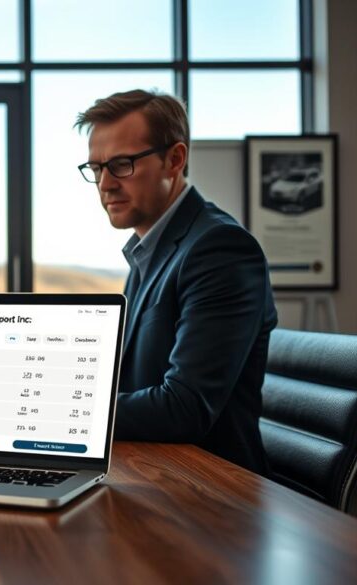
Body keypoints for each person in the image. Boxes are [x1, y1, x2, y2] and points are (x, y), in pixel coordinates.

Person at [75, 89, 277, 475]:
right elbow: (133, 377)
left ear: (175, 159)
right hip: (153, 470)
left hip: (210, 492)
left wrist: (69, 411)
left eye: (121, 164)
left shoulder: (220, 249)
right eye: (96, 168)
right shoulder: (146, 251)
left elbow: (185, 407)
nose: (105, 184)